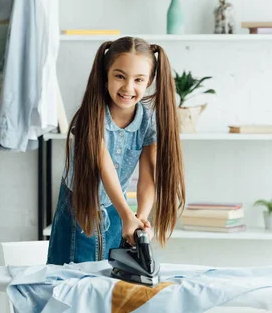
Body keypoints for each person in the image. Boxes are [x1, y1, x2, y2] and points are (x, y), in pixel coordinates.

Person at [47, 36, 185, 265]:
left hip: (115, 208)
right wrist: (127, 215)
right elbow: (105, 168)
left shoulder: (148, 122)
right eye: (120, 76)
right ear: (105, 76)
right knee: (72, 280)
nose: (128, 88)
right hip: (79, 206)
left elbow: (148, 176)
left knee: (108, 281)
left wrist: (139, 218)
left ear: (149, 81)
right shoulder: (90, 117)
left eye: (139, 80)